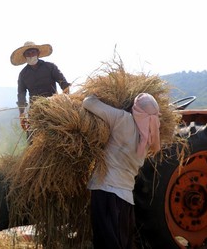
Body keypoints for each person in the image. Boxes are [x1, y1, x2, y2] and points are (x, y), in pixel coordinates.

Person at [82, 93, 161, 249]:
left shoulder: (122, 119)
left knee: (105, 243)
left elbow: (88, 103)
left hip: (105, 191)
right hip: (125, 198)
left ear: (136, 108)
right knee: (123, 242)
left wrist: (98, 94)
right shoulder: (149, 137)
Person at [10, 41, 70, 132]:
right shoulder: (23, 74)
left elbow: (64, 84)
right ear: (25, 56)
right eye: (28, 53)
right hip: (35, 110)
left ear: (38, 53)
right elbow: (21, 95)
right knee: (33, 137)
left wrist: (66, 102)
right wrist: (22, 114)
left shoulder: (50, 67)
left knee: (60, 131)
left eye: (33, 52)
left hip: (54, 106)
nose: (31, 55)